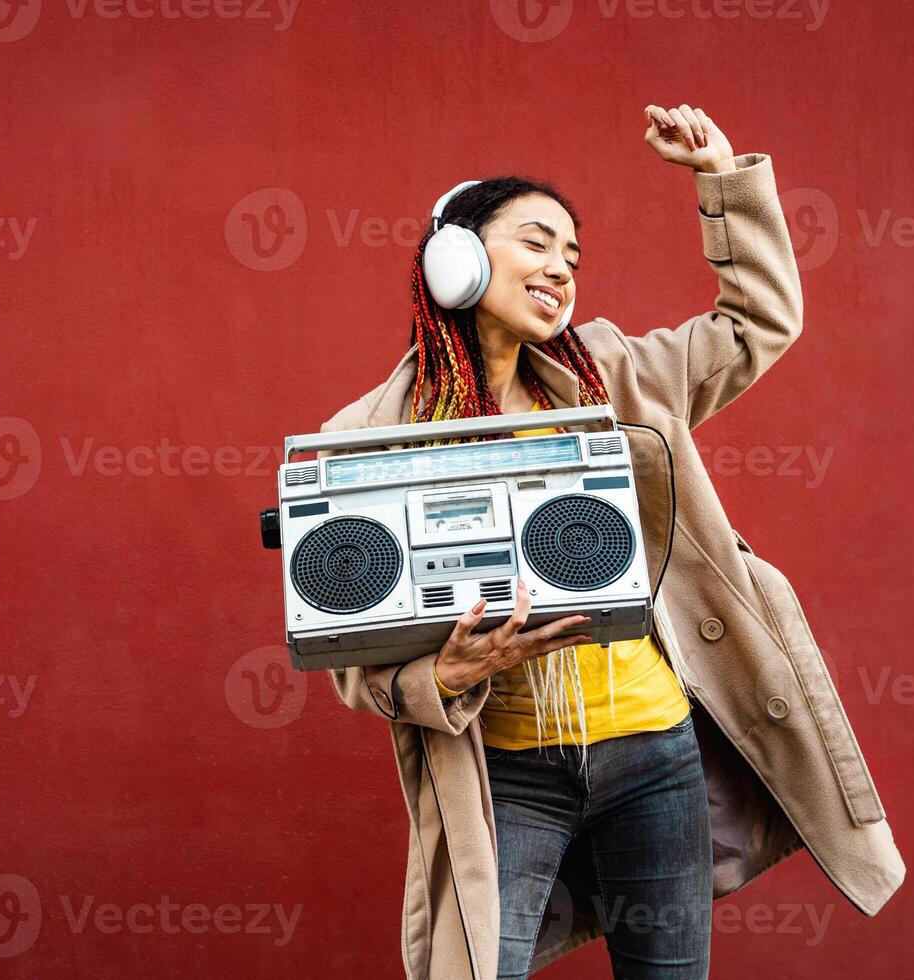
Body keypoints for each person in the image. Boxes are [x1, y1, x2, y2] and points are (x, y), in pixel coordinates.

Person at [316, 103, 819, 979]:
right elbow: (348, 642)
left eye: (573, 257)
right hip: (507, 769)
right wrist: (442, 677)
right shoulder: (374, 436)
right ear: (457, 259)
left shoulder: (615, 373)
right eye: (536, 243)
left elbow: (755, 327)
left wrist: (722, 180)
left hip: (656, 751)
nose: (561, 269)